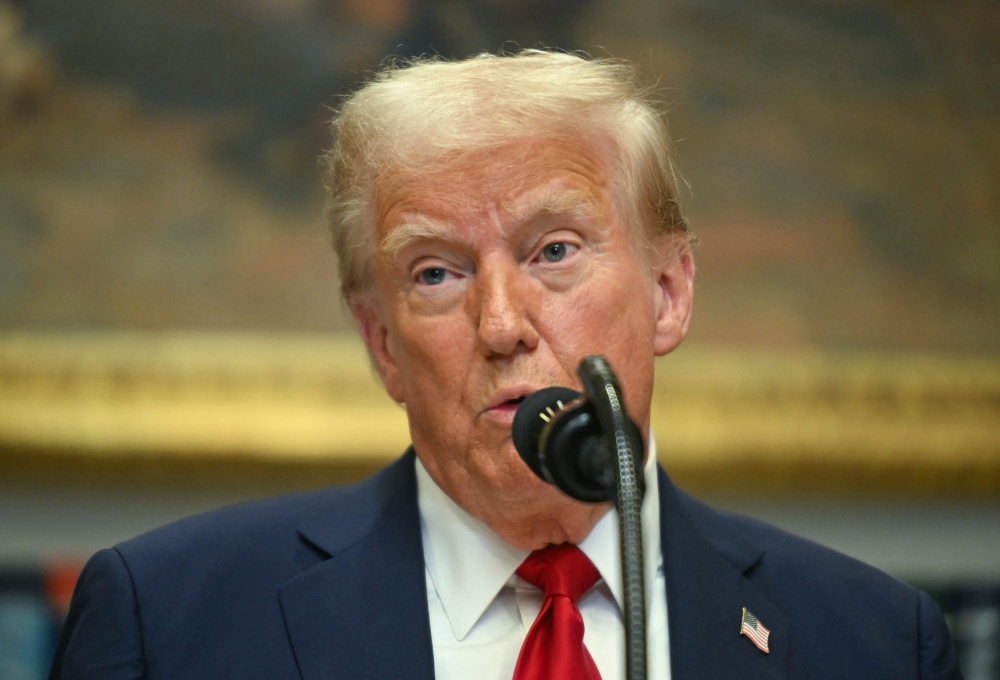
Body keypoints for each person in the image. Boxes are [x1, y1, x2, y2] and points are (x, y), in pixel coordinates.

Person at [49, 51, 962, 680]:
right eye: (436, 272)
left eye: (555, 251)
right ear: (381, 343)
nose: (501, 323)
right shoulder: (169, 621)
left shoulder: (872, 639)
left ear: (669, 293)